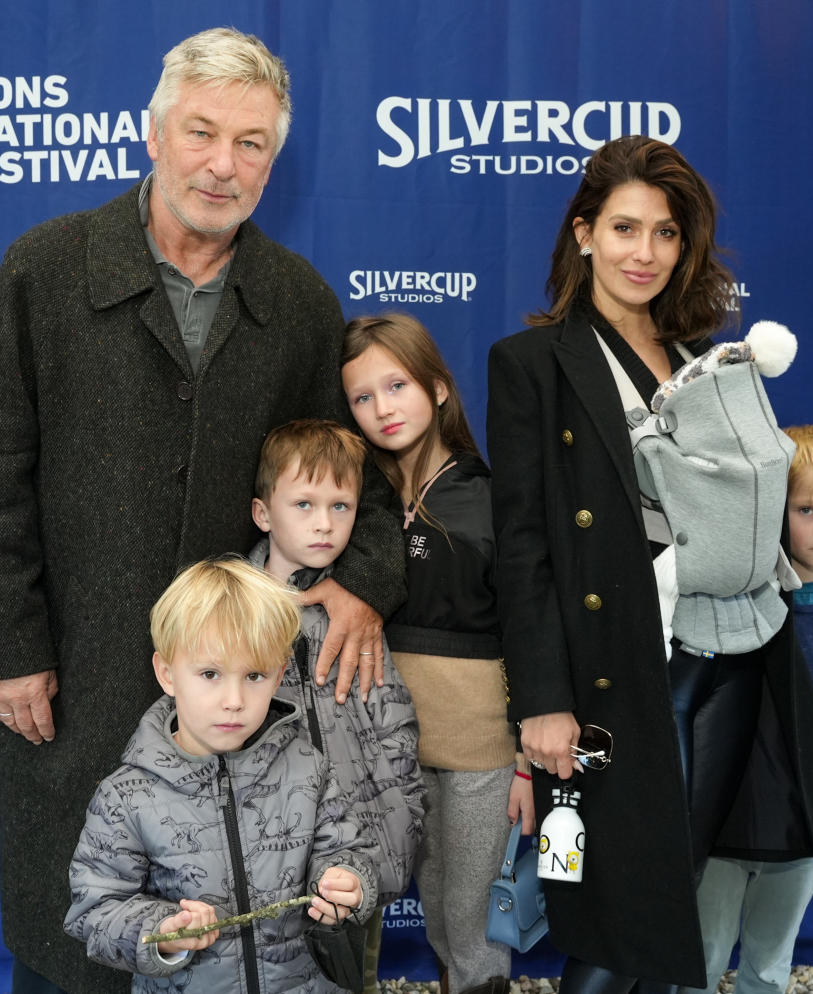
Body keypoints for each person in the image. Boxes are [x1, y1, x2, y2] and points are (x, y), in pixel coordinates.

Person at [0, 28, 404, 994]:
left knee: (227, 934)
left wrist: (360, 581)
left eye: (250, 145)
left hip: (234, 692)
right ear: (153, 134)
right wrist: (6, 646)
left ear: (275, 163)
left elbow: (346, 470)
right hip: (72, 668)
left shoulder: (297, 299)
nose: (221, 164)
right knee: (72, 932)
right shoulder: (46, 267)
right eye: (201, 132)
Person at [486, 135, 813, 994]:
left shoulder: (707, 360)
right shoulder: (530, 366)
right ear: (583, 233)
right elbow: (523, 545)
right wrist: (541, 702)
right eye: (625, 228)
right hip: (614, 675)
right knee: (620, 905)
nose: (644, 253)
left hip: (730, 658)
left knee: (677, 895)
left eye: (665, 233)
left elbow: (756, 496)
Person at [64, 557, 378, 993]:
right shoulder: (125, 797)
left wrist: (350, 883)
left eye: (254, 675)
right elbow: (94, 911)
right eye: (210, 674)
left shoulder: (310, 767)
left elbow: (350, 850)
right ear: (167, 673)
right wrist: (164, 932)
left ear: (280, 673)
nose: (234, 700)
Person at [342, 313, 535, 994]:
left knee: (474, 914)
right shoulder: (355, 501)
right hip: (387, 740)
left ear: (440, 389)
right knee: (432, 908)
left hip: (483, 746)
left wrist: (527, 761)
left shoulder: (490, 499)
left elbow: (533, 629)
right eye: (362, 397)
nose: (382, 408)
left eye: (396, 385)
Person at [681, 425, 813, 994]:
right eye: (807, 510)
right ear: (775, 507)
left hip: (801, 832)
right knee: (696, 962)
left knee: (768, 968)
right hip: (720, 820)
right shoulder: (728, 599)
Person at [248, 418, 424, 992]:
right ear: (263, 513)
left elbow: (394, 736)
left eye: (341, 506)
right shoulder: (233, 611)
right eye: (304, 503)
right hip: (258, 867)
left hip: (349, 867)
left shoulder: (356, 617)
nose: (324, 523)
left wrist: (380, 849)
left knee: (353, 978)